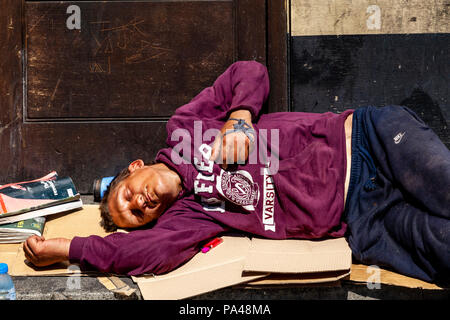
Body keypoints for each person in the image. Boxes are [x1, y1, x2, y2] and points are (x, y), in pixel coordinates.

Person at [23, 61, 450, 284]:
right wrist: (68, 248)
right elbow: (139, 256)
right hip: (360, 221)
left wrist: (239, 117)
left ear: (135, 168)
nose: (139, 205)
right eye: (136, 216)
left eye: (128, 196)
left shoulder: (184, 130)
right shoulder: (187, 221)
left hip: (368, 141)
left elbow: (248, 71)